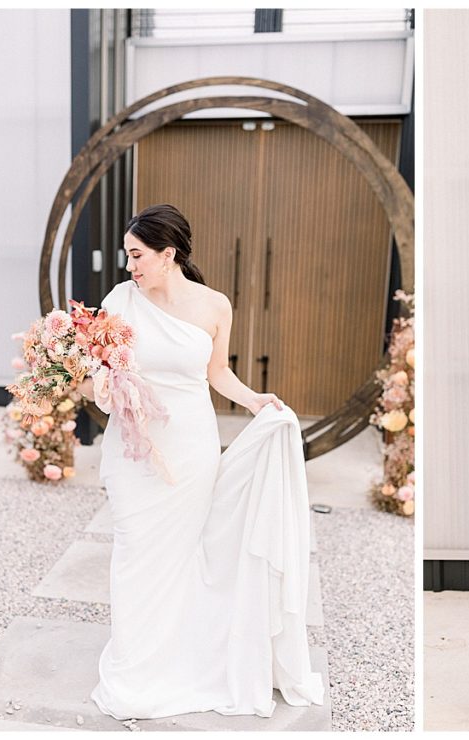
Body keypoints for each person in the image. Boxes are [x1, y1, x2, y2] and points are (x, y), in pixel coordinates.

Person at [76, 203, 325, 720]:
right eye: (128, 256)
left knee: (182, 552)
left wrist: (255, 399)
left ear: (168, 255)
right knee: (134, 549)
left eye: (137, 255)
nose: (130, 267)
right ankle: (135, 662)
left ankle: (177, 656)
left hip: (190, 446)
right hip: (133, 447)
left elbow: (217, 373)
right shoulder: (119, 300)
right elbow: (95, 371)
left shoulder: (215, 306)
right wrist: (96, 385)